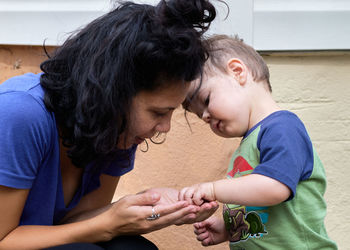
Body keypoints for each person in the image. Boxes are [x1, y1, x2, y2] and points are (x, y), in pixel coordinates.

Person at [0, 0, 220, 249]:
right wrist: (109, 223)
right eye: (158, 112)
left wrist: (145, 207)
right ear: (114, 94)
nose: (165, 127)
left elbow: (74, 223)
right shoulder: (19, 114)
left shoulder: (116, 131)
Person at [179, 35, 338, 249]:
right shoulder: (250, 143)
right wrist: (229, 228)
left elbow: (274, 189)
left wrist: (214, 189)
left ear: (237, 72)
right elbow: (262, 209)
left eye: (206, 101)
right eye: (201, 116)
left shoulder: (282, 128)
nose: (206, 116)